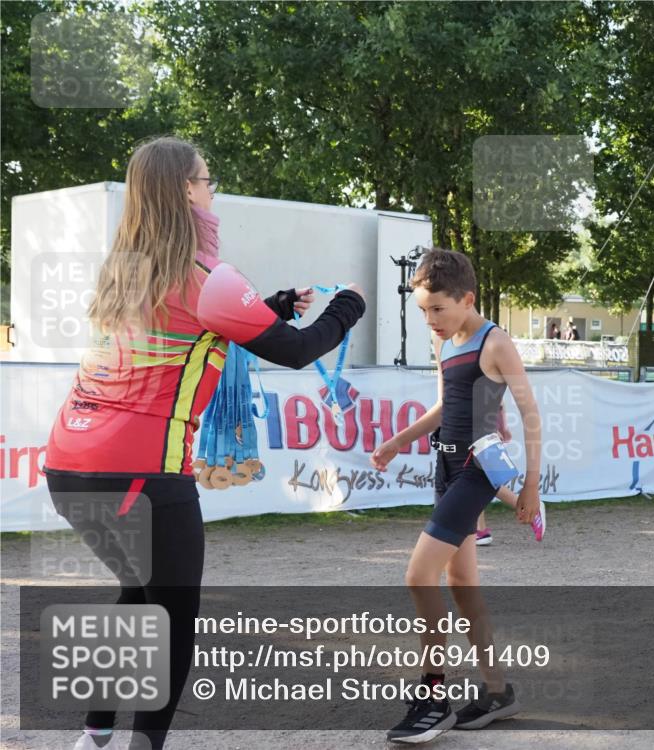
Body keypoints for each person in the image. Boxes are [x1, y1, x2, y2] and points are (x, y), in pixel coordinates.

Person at [43, 136, 366, 750]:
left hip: (68, 466)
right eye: (207, 181)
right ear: (185, 191)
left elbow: (193, 329)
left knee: (138, 593)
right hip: (142, 472)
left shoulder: (123, 271)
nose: (213, 192)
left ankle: (94, 734)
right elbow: (298, 351)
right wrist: (349, 306)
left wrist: (270, 308)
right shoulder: (207, 277)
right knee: (170, 621)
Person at [370, 248, 541, 743]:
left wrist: (530, 485)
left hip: (475, 472)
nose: (430, 320)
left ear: (467, 298)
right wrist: (398, 440)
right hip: (445, 469)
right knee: (463, 585)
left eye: (438, 309)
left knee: (418, 575)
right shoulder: (444, 341)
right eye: (423, 310)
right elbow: (446, 405)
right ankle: (498, 692)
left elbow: (530, 414)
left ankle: (433, 696)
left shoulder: (496, 342)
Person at [474, 404, 546, 547]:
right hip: (471, 424)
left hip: (474, 425)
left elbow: (495, 398)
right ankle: (479, 529)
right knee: (475, 476)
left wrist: (498, 426)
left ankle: (529, 509)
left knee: (477, 476)